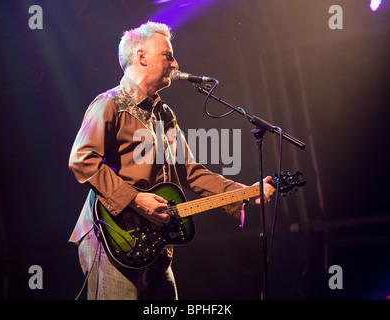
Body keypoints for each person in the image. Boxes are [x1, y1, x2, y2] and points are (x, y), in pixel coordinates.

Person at [68, 21, 276, 300]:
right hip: (111, 237)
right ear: (141, 56)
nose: (176, 63)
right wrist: (137, 199)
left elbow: (190, 172)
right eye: (168, 55)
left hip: (151, 242)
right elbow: (82, 160)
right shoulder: (109, 103)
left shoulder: (164, 114)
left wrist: (243, 192)